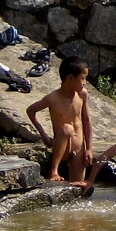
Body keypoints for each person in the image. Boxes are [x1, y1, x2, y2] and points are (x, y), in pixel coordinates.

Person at [27, 56, 94, 187]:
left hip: (79, 147)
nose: (85, 82)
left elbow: (86, 121)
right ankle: (54, 170)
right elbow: (31, 111)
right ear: (70, 78)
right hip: (63, 148)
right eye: (83, 78)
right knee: (67, 129)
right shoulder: (53, 98)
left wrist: (89, 149)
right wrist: (44, 136)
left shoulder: (82, 95)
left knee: (78, 187)